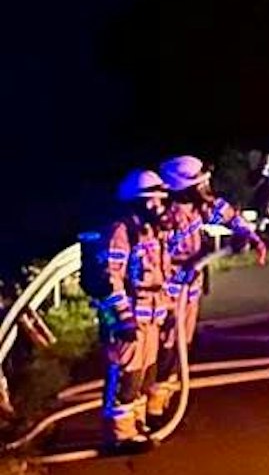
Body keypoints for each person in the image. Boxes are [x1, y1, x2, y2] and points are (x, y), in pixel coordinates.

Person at [157, 154, 264, 424]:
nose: (205, 190)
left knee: (181, 344)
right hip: (162, 294)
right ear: (181, 187)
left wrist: (247, 234)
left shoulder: (197, 207)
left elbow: (224, 212)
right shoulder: (161, 213)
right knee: (162, 347)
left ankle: (163, 399)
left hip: (188, 290)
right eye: (199, 184)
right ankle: (150, 404)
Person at [87, 169, 172, 451]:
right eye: (154, 200)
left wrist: (167, 309)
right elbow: (110, 279)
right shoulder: (121, 232)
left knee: (144, 373)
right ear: (137, 201)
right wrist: (123, 318)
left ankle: (135, 425)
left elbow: (159, 275)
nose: (159, 206)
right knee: (125, 374)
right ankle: (119, 435)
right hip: (126, 317)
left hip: (148, 317)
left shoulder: (149, 230)